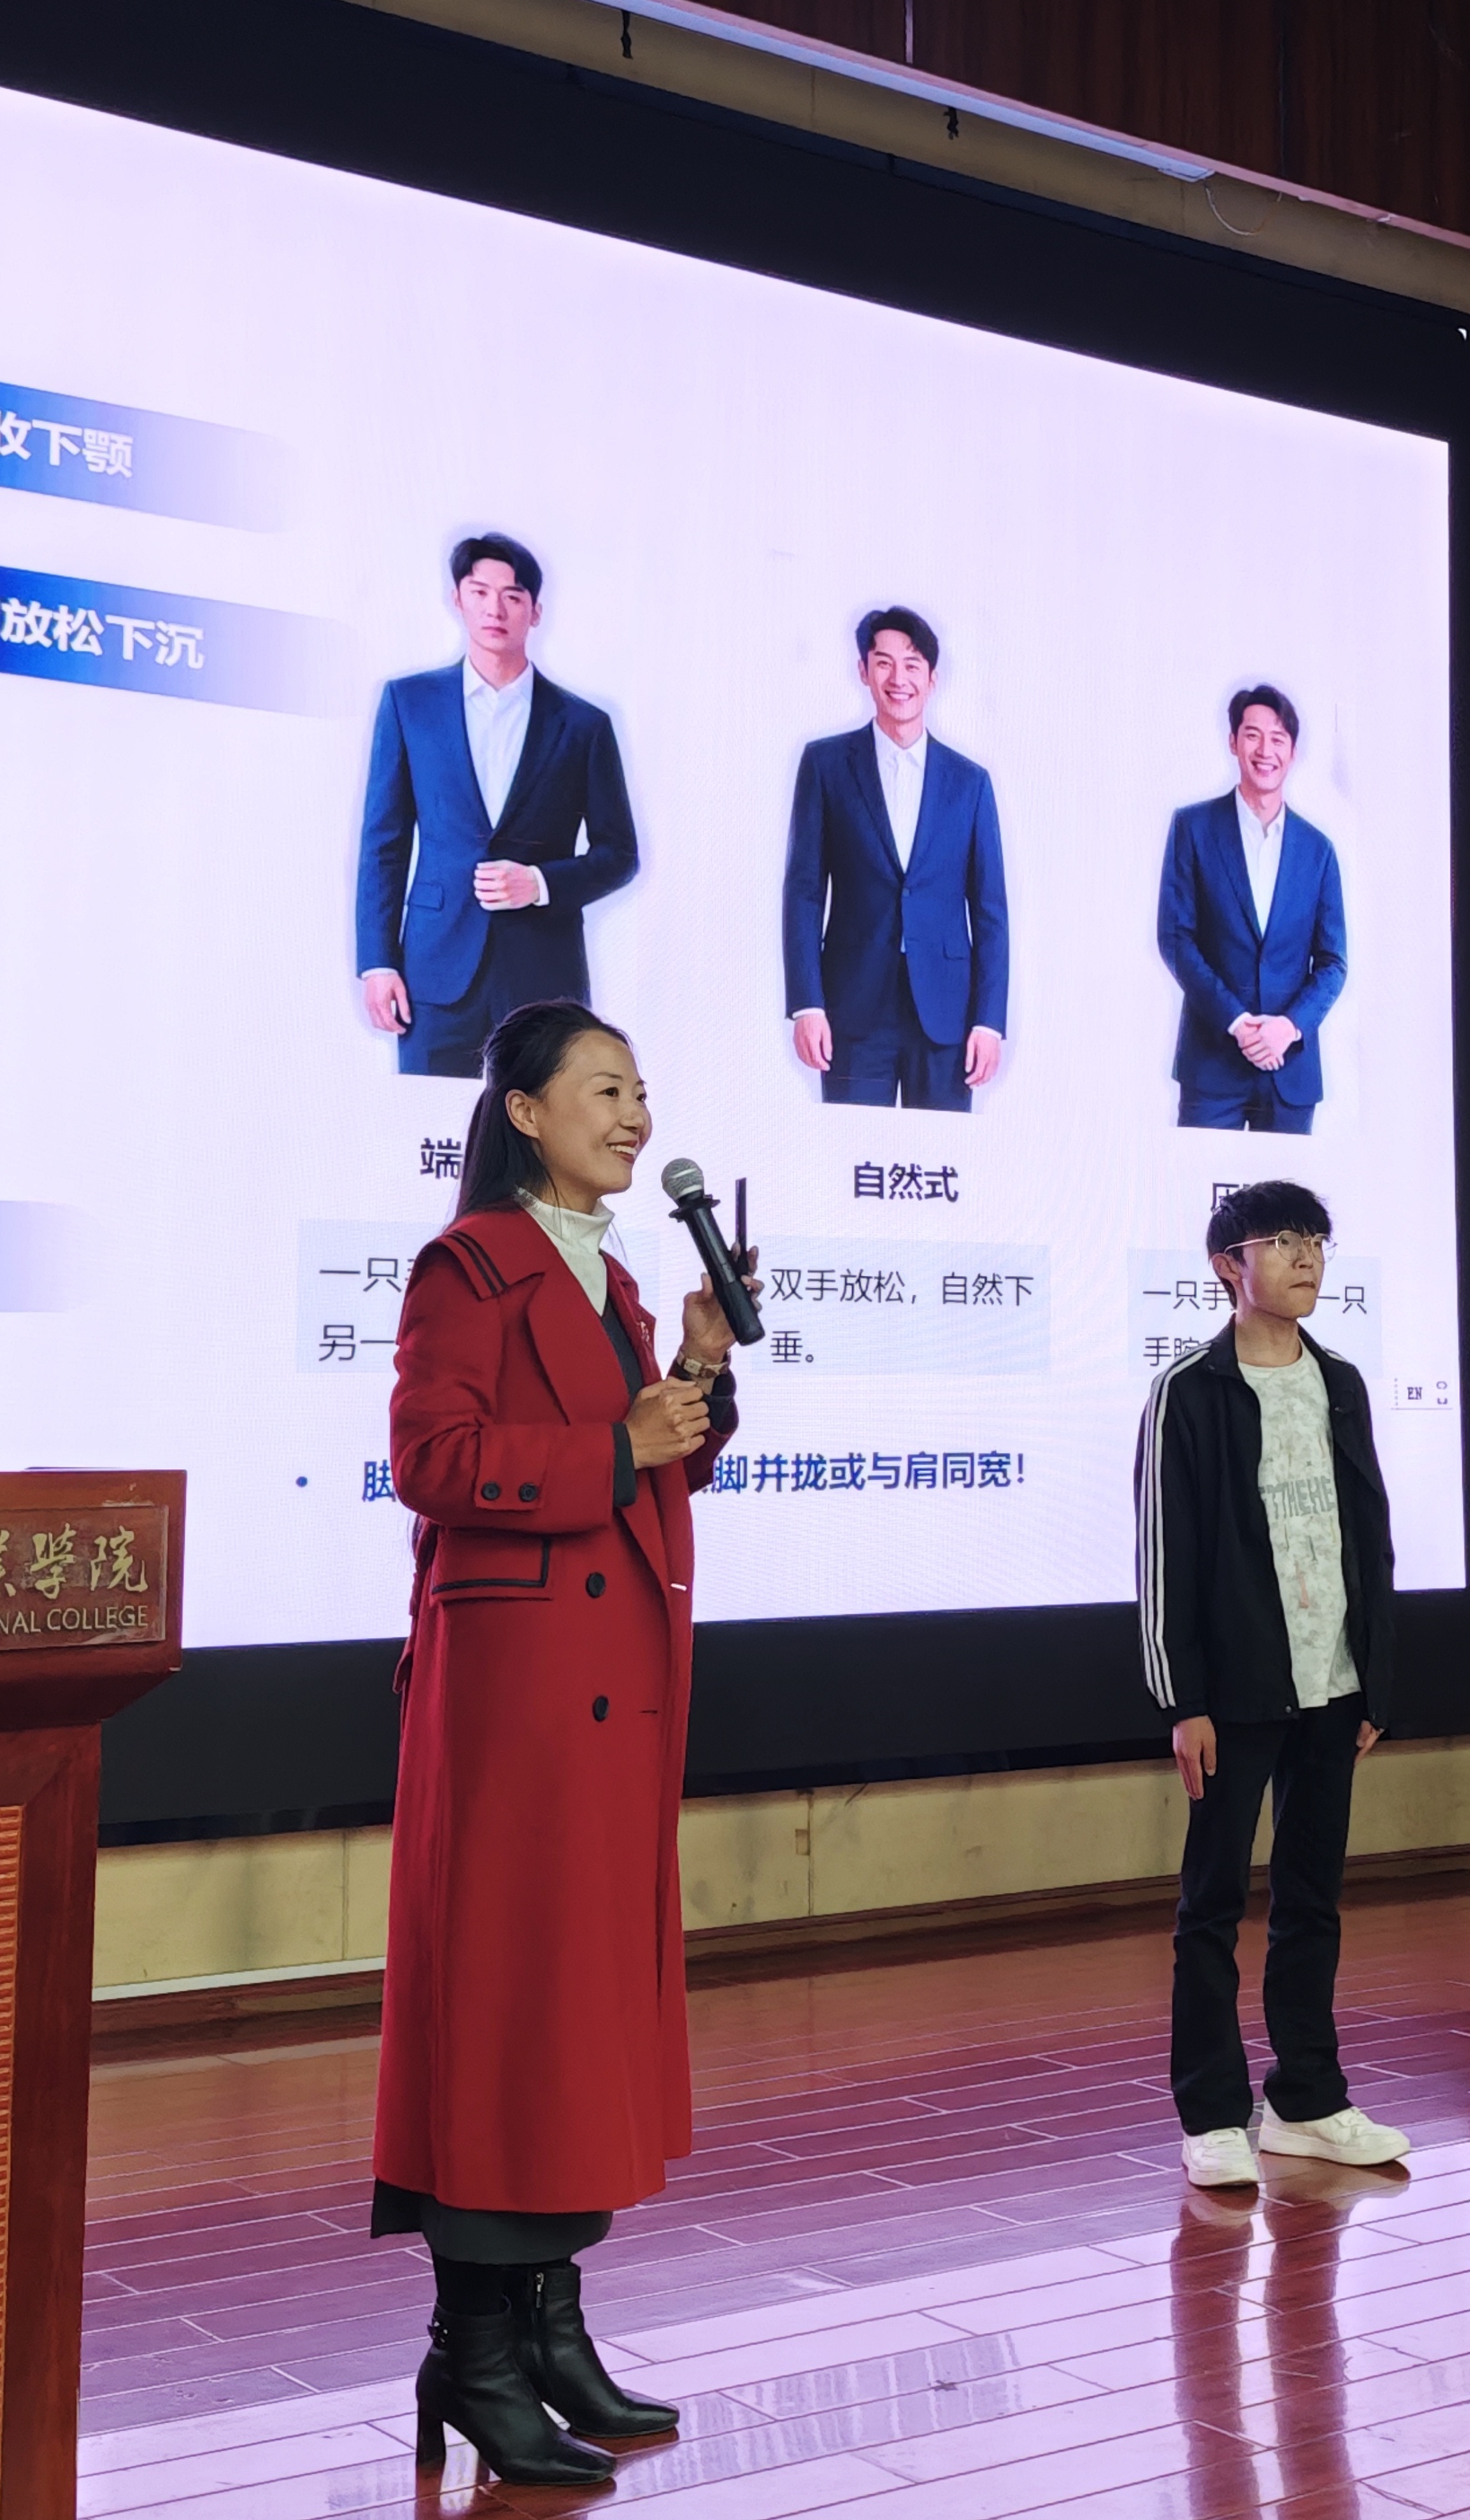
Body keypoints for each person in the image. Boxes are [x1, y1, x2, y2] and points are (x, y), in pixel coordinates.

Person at [377, 1000, 748, 2484]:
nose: (635, 1114)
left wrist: (696, 1381)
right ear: (524, 1112)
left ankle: (548, 2329)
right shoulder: (468, 1264)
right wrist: (617, 1445)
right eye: (604, 1089)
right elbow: (431, 1458)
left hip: (606, 1686)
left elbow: (653, 1464)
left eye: (641, 1090)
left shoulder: (619, 1280)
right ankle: (473, 2351)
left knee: (575, 2010)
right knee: (509, 2006)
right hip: (517, 1703)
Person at [1135, 1176, 1409, 2188]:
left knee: (1312, 1897)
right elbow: (1164, 1553)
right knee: (1211, 1904)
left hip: (1332, 1681)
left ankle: (1308, 2097)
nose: (1306, 1258)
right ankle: (1212, 2113)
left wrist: (1375, 1680)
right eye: (1283, 1240)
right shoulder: (1190, 1389)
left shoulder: (1341, 1381)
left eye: (1316, 1241)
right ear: (1228, 1265)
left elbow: (1369, 1534)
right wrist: (1185, 1701)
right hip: (1235, 1689)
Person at [355, 536, 638, 1078]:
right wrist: (377, 962)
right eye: (479, 592)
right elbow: (384, 844)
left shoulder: (584, 725)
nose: (494, 609)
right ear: (457, 599)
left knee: (538, 1124)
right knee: (427, 1122)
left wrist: (541, 883)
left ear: (535, 611)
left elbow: (620, 854)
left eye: (512, 596)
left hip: (543, 974)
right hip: (434, 972)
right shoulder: (409, 703)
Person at [780, 605, 1010, 1110]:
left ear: (932, 679)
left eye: (911, 665)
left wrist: (989, 1021)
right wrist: (807, 1005)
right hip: (853, 1008)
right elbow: (803, 892)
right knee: (852, 1152)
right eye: (883, 663)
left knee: (943, 1155)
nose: (898, 678)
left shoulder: (969, 782)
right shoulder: (826, 765)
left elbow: (990, 910)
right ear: (863, 671)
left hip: (947, 1013)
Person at [1157, 683, 1346, 1132]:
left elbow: (1333, 963)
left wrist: (1289, 1027)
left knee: (1287, 1183)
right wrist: (1238, 1022)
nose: (1265, 751)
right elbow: (1176, 939)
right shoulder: (1193, 828)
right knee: (1201, 1179)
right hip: (1212, 1065)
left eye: (1278, 738)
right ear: (1233, 742)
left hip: (1289, 1072)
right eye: (1253, 735)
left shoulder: (1318, 851)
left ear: (1293, 752)